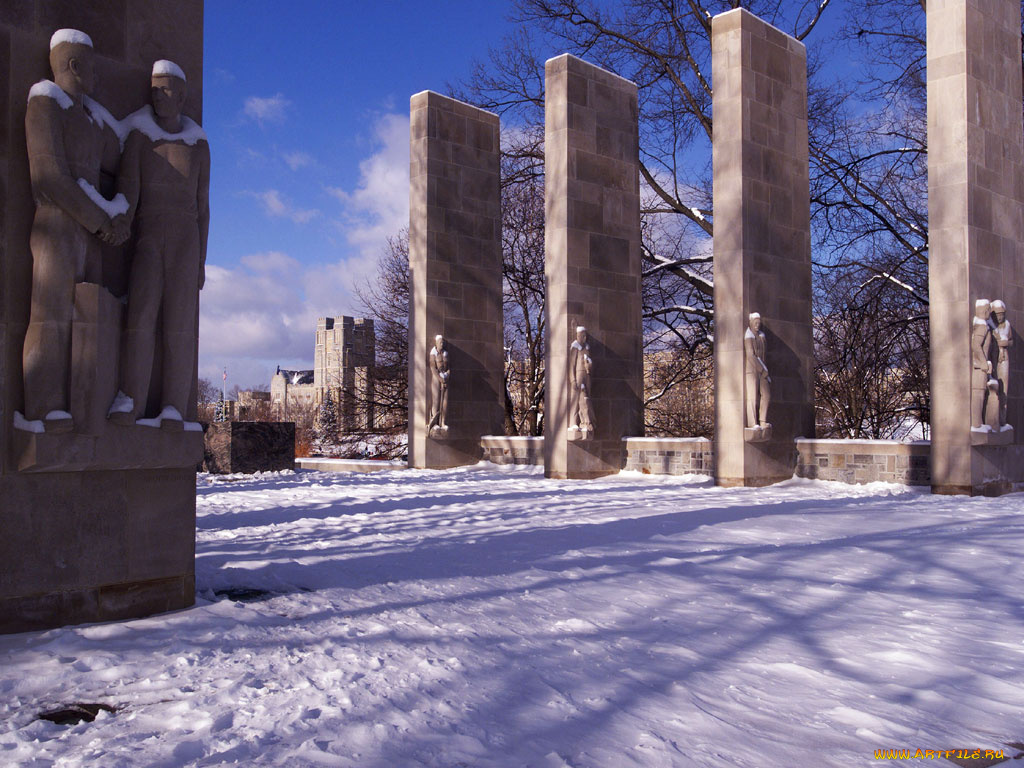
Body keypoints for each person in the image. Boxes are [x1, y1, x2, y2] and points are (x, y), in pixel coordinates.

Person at [21, 29, 126, 432]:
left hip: (92, 232)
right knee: (50, 316)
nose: (97, 75)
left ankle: (85, 407)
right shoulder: (45, 102)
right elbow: (48, 176)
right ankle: (43, 408)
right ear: (74, 65)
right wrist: (102, 219)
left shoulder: (93, 117)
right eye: (92, 66)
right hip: (57, 225)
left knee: (89, 317)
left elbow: (122, 160)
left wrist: (122, 215)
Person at [112, 59, 210, 428]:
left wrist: (201, 259)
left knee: (179, 326)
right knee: (140, 317)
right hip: (150, 233)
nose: (157, 94)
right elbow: (128, 196)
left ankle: (173, 405)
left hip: (186, 239)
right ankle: (130, 398)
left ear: (181, 95)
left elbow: (203, 209)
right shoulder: (139, 137)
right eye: (154, 87)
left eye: (165, 87)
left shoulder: (198, 146)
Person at [971, 299, 995, 429]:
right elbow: (975, 345)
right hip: (980, 367)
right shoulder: (982, 326)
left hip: (981, 366)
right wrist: (983, 362)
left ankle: (978, 423)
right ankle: (977, 423)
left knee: (981, 393)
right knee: (978, 393)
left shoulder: (983, 325)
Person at [744, 312, 771, 430]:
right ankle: (752, 422)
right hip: (752, 370)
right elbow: (750, 355)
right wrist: (761, 369)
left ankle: (763, 420)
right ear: (750, 322)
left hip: (763, 370)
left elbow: (764, 355)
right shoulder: (748, 336)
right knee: (752, 396)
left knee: (767, 395)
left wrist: (764, 369)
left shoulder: (761, 336)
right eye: (755, 323)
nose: (757, 325)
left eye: (759, 323)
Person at [990, 299, 1012, 428]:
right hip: (994, 359)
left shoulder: (1007, 325)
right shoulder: (991, 327)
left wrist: (1005, 343)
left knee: (1004, 389)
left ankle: (1002, 418)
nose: (1000, 317)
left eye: (1002, 314)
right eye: (997, 315)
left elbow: (1011, 341)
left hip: (1004, 359)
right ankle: (993, 419)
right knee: (995, 388)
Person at [569, 326, 594, 432]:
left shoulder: (587, 348)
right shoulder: (575, 348)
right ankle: (573, 422)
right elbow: (571, 366)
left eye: (584, 336)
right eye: (580, 335)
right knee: (575, 399)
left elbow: (590, 364)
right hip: (578, 375)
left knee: (585, 398)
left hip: (587, 375)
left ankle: (585, 421)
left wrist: (589, 365)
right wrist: (572, 380)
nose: (582, 337)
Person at [428, 335, 449, 431]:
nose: (442, 344)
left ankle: (443, 421)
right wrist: (440, 379)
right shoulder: (433, 354)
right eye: (440, 342)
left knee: (445, 401)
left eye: (443, 342)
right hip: (437, 378)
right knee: (436, 400)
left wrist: (447, 376)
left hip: (445, 378)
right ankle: (435, 422)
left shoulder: (445, 353)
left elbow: (449, 368)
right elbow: (433, 368)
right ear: (436, 343)